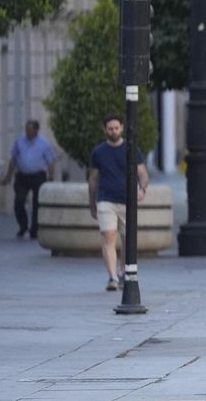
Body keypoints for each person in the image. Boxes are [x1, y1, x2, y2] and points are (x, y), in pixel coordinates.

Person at [88, 116, 149, 291]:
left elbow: (143, 173)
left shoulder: (131, 149)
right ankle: (113, 277)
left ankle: (122, 272)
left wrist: (142, 189)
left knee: (127, 240)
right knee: (109, 236)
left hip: (127, 201)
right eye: (110, 128)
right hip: (106, 199)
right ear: (104, 130)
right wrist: (92, 204)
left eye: (116, 128)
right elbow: (93, 179)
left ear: (122, 128)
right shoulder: (98, 152)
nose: (113, 131)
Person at [2, 119, 58, 239]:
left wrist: (51, 178)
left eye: (30, 130)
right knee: (19, 202)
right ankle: (23, 225)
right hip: (22, 176)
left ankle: (34, 229)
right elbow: (14, 159)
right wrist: (8, 176)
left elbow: (51, 162)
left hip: (38, 175)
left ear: (36, 130)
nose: (28, 132)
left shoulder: (44, 143)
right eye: (26, 129)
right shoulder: (20, 141)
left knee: (37, 203)